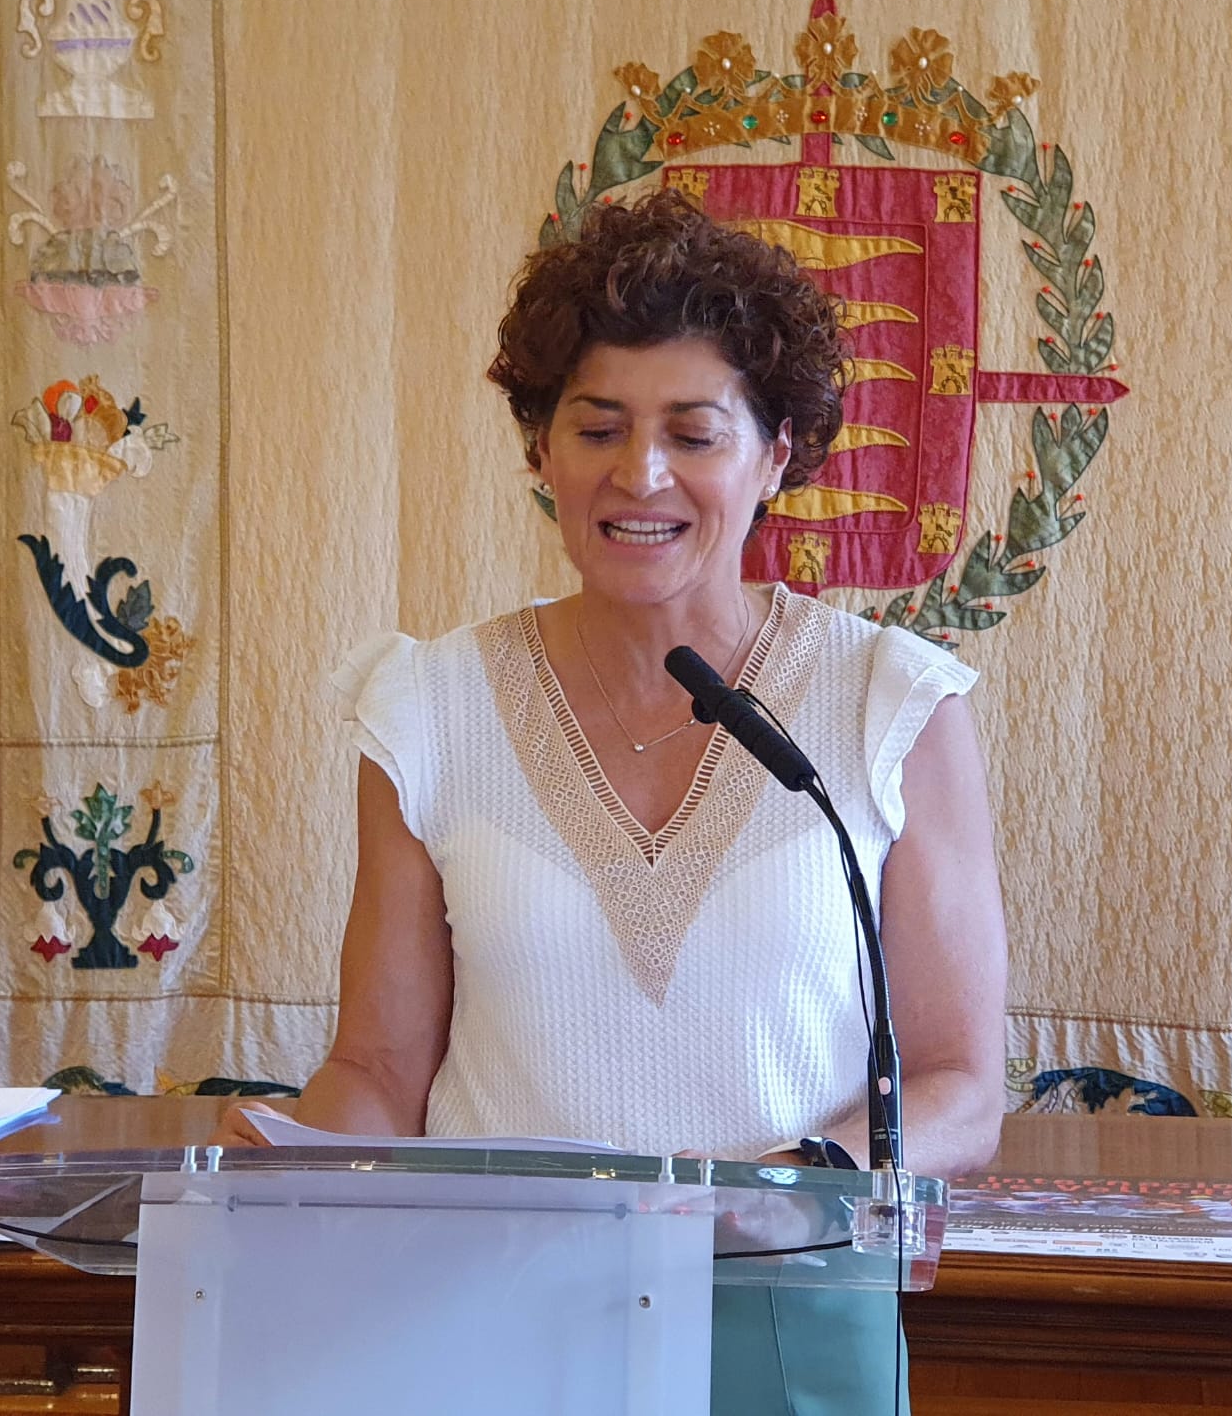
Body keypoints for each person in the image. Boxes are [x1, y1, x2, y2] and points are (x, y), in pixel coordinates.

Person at [215, 190, 1007, 1412]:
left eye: (694, 433)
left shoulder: (889, 705)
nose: (641, 474)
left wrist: (785, 1184)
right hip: (485, 1311)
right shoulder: (428, 708)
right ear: (541, 451)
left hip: (788, 1311)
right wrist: (293, 1166)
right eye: (597, 427)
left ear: (775, 457)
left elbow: (958, 1086)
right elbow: (378, 1064)